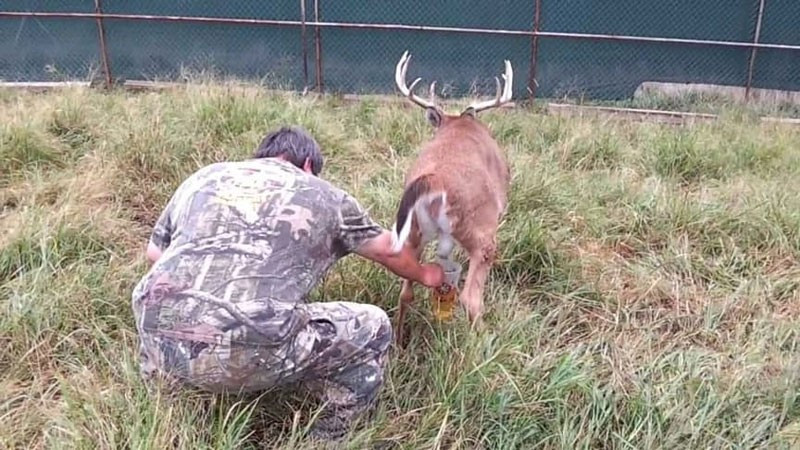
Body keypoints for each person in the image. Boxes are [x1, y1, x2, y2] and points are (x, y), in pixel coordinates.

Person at [130, 126, 445, 440]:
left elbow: (155, 252)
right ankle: (327, 438)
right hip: (247, 345)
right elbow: (390, 251)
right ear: (308, 165)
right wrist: (425, 274)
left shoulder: (203, 178)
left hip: (159, 332)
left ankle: (170, 415)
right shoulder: (323, 193)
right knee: (374, 325)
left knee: (160, 309)